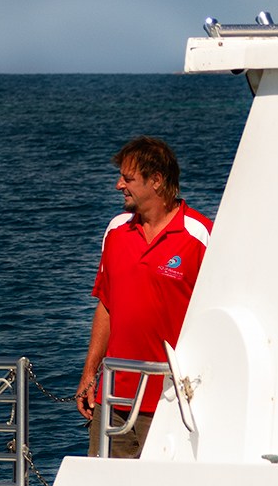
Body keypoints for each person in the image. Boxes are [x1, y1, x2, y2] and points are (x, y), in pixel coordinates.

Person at [76, 137, 212, 458]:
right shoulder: (116, 231)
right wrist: (88, 373)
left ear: (156, 181)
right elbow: (106, 306)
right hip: (114, 398)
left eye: (128, 178)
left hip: (172, 400)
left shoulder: (200, 235)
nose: (118, 184)